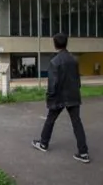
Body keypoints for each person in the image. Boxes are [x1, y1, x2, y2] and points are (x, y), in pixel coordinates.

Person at [31, 33, 90, 163]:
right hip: (73, 95)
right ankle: (83, 152)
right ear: (66, 43)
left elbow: (52, 83)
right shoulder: (74, 60)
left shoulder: (54, 62)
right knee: (77, 123)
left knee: (50, 120)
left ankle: (43, 143)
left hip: (59, 97)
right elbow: (77, 80)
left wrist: (49, 97)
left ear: (55, 44)